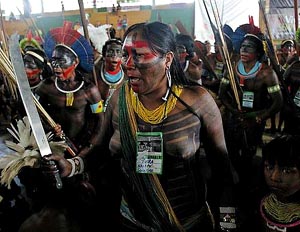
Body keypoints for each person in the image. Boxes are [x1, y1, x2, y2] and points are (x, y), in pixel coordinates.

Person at [43, 21, 237, 231]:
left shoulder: (196, 102)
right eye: (126, 55)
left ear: (168, 59)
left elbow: (224, 173)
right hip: (131, 222)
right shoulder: (119, 100)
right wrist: (71, 165)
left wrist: (228, 225)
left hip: (185, 224)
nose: (127, 64)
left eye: (139, 55)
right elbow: (99, 150)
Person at [218, 32, 283, 217]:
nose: (244, 50)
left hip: (255, 122)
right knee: (230, 152)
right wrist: (233, 111)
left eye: (249, 47)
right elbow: (222, 94)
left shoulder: (266, 73)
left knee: (248, 155)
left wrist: (257, 118)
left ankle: (248, 193)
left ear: (258, 53)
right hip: (234, 119)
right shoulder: (231, 67)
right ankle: (232, 188)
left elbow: (277, 102)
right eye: (242, 46)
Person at [95, 38, 125, 112]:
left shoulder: (128, 73)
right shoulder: (94, 73)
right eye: (110, 51)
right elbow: (91, 100)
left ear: (122, 56)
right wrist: (99, 111)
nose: (114, 55)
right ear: (104, 56)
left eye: (118, 52)